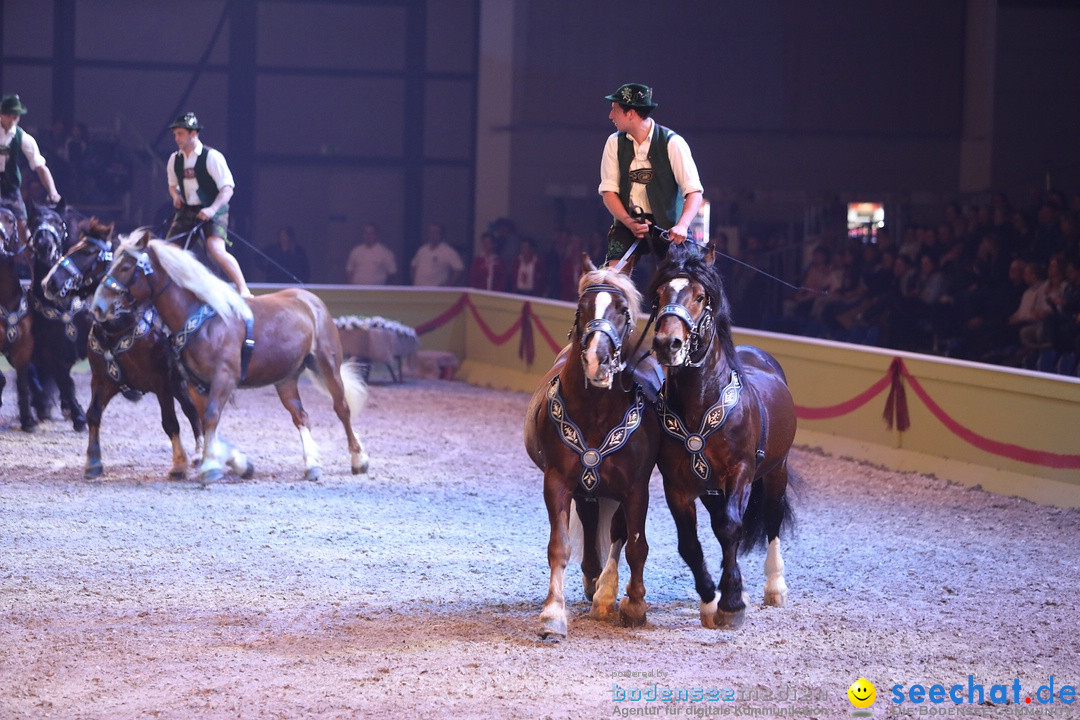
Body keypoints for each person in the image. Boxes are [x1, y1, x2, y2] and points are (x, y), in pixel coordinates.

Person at [598, 83, 703, 264]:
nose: (610, 116)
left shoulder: (673, 143)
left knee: (693, 275)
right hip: (628, 224)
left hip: (670, 227)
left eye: (615, 110)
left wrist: (683, 226)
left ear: (630, 113)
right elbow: (609, 192)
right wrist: (629, 222)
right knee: (610, 278)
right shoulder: (613, 143)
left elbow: (694, 192)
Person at [164, 112, 252, 298]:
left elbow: (228, 188)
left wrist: (212, 209)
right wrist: (175, 196)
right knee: (168, 252)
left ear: (193, 134)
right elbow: (172, 186)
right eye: (175, 134)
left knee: (216, 249)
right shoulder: (175, 160)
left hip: (214, 207)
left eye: (180, 134)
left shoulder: (212, 157)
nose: (176, 138)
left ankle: (243, 289)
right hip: (188, 209)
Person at [0, 94, 62, 247]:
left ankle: (34, 266)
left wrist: (52, 191)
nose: (14, 119)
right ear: (2, 115)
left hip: (9, 187)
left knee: (23, 227)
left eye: (16, 116)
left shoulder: (21, 137)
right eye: (11, 115)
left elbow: (40, 166)